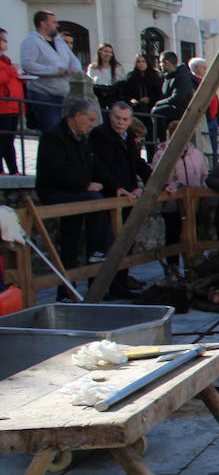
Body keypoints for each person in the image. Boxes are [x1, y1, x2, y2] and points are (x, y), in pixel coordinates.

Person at [36, 99, 119, 296]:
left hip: (76, 193)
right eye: (89, 119)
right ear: (77, 116)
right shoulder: (53, 138)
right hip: (57, 193)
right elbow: (58, 170)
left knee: (73, 237)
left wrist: (118, 186)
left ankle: (93, 273)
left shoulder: (82, 139)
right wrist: (84, 185)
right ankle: (97, 251)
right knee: (92, 203)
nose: (92, 124)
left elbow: (97, 166)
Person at [89, 101, 151, 296]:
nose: (120, 122)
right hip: (109, 195)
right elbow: (100, 167)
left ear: (130, 120)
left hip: (128, 197)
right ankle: (98, 288)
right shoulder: (99, 135)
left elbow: (137, 163)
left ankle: (120, 286)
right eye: (117, 118)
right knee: (103, 244)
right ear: (110, 116)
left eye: (124, 119)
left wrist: (155, 181)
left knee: (126, 242)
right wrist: (118, 187)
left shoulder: (129, 136)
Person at [151, 117, 210, 274]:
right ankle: (173, 269)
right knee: (173, 235)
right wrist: (166, 187)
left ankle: (195, 268)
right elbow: (155, 176)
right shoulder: (161, 155)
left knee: (195, 234)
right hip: (171, 204)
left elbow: (204, 175)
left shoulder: (196, 154)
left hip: (194, 203)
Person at [20, 10, 82, 134]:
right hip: (43, 94)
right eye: (53, 22)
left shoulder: (59, 41)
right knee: (51, 132)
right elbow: (27, 64)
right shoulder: (31, 41)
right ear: (43, 24)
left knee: (65, 132)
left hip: (63, 94)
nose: (57, 25)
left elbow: (73, 58)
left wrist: (75, 69)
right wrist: (55, 71)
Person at [122, 54, 164, 157]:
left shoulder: (154, 76)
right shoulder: (131, 77)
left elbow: (159, 94)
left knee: (151, 136)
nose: (141, 64)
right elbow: (126, 94)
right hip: (136, 110)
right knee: (136, 134)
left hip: (150, 109)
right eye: (138, 62)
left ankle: (152, 158)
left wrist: (149, 99)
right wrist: (132, 101)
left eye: (143, 61)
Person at [151, 51, 195, 143]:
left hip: (181, 110)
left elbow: (177, 98)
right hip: (172, 109)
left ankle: (162, 141)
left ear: (166, 63)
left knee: (156, 111)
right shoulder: (168, 77)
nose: (160, 65)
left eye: (160, 62)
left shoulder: (181, 77)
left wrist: (158, 104)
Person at [188, 57, 219, 158]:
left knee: (214, 145)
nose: (206, 69)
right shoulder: (192, 81)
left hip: (213, 118)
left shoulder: (206, 80)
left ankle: (215, 166)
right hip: (204, 118)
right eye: (203, 67)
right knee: (206, 146)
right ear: (195, 68)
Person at [0, 29, 21, 174]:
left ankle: (14, 169)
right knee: (2, 139)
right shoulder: (6, 64)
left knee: (10, 140)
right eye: (3, 39)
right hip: (3, 106)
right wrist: (11, 70)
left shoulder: (6, 60)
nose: (6, 41)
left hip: (13, 105)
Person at [86, 42, 124, 109]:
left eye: (110, 52)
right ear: (100, 52)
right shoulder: (92, 67)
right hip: (99, 97)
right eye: (105, 51)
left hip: (113, 98)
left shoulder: (118, 67)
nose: (108, 54)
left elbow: (121, 83)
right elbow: (89, 82)